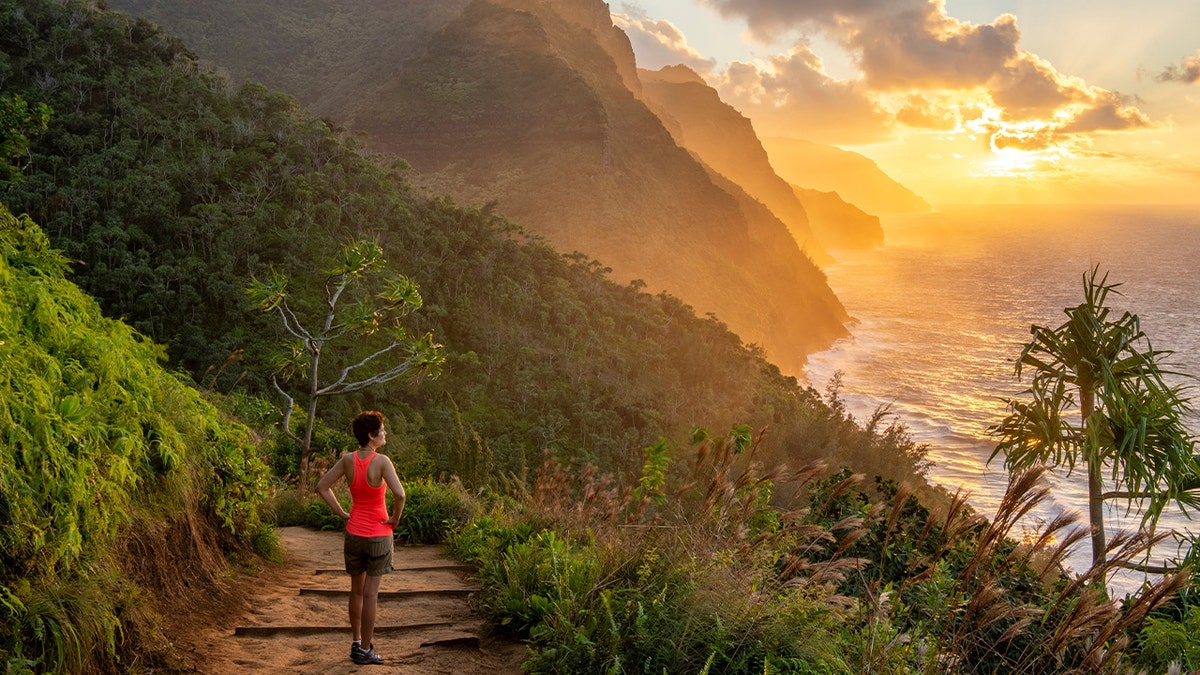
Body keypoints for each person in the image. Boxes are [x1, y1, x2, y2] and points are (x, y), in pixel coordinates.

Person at [316, 410, 406, 666]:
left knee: (356, 591)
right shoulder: (382, 462)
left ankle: (357, 641)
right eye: (382, 430)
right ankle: (365, 650)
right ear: (371, 435)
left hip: (354, 533)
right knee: (371, 595)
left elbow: (322, 486)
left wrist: (343, 513)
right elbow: (400, 495)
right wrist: (395, 519)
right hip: (379, 535)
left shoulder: (347, 460)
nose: (385, 433)